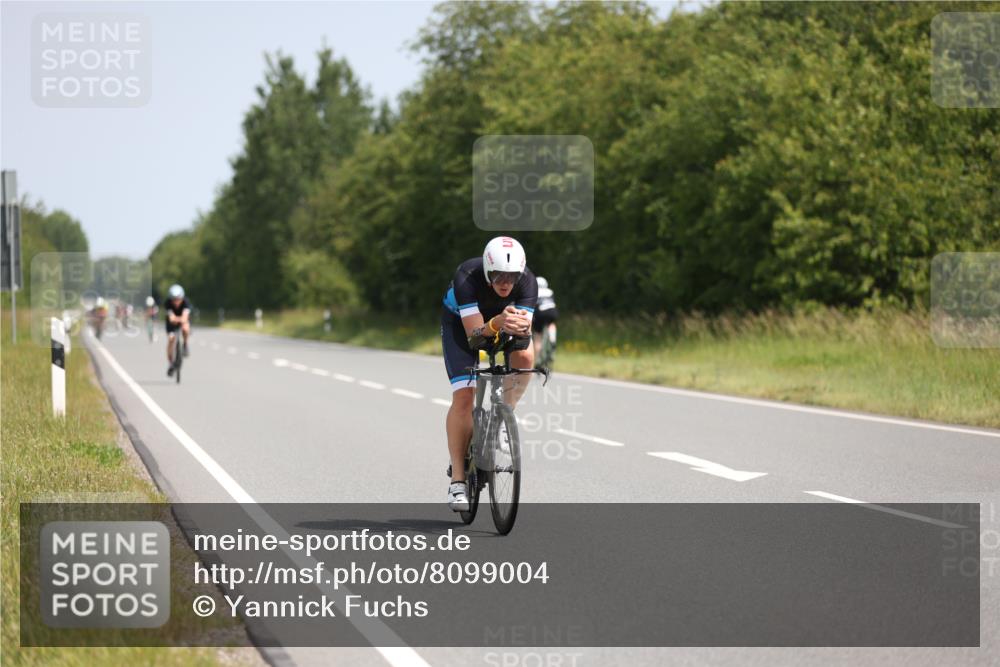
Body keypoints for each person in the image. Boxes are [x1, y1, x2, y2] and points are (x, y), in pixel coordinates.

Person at [440, 236, 537, 511]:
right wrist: (496, 322)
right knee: (464, 396)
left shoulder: (528, 282)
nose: (505, 282)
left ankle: (505, 416)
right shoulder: (467, 277)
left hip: (499, 321)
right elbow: (475, 339)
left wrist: (515, 329)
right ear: (486, 270)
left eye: (512, 276)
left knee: (526, 355)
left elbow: (521, 336)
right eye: (497, 275)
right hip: (462, 326)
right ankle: (458, 481)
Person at [164, 284, 192, 376]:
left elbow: (185, 318)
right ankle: (171, 363)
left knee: (185, 328)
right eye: (174, 299)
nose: (176, 302)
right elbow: (171, 319)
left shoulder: (186, 302)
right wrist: (177, 319)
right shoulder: (168, 303)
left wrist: (178, 319)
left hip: (182, 321)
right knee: (171, 339)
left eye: (178, 299)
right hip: (171, 325)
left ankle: (185, 344)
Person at [532, 276, 558, 364]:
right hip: (552, 311)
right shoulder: (550, 291)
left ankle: (537, 360)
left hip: (540, 313)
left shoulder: (534, 292)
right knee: (551, 324)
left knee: (537, 336)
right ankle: (552, 339)